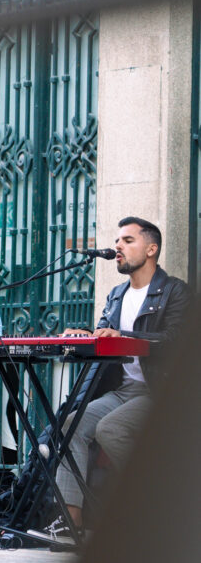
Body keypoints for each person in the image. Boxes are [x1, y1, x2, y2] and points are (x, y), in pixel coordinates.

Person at [55, 216, 190, 530]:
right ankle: (71, 523)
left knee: (110, 429)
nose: (118, 247)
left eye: (128, 241)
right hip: (123, 391)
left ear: (151, 249)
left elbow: (176, 341)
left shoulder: (174, 291)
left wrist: (124, 337)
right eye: (117, 241)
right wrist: (85, 335)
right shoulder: (117, 294)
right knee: (70, 425)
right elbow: (107, 334)